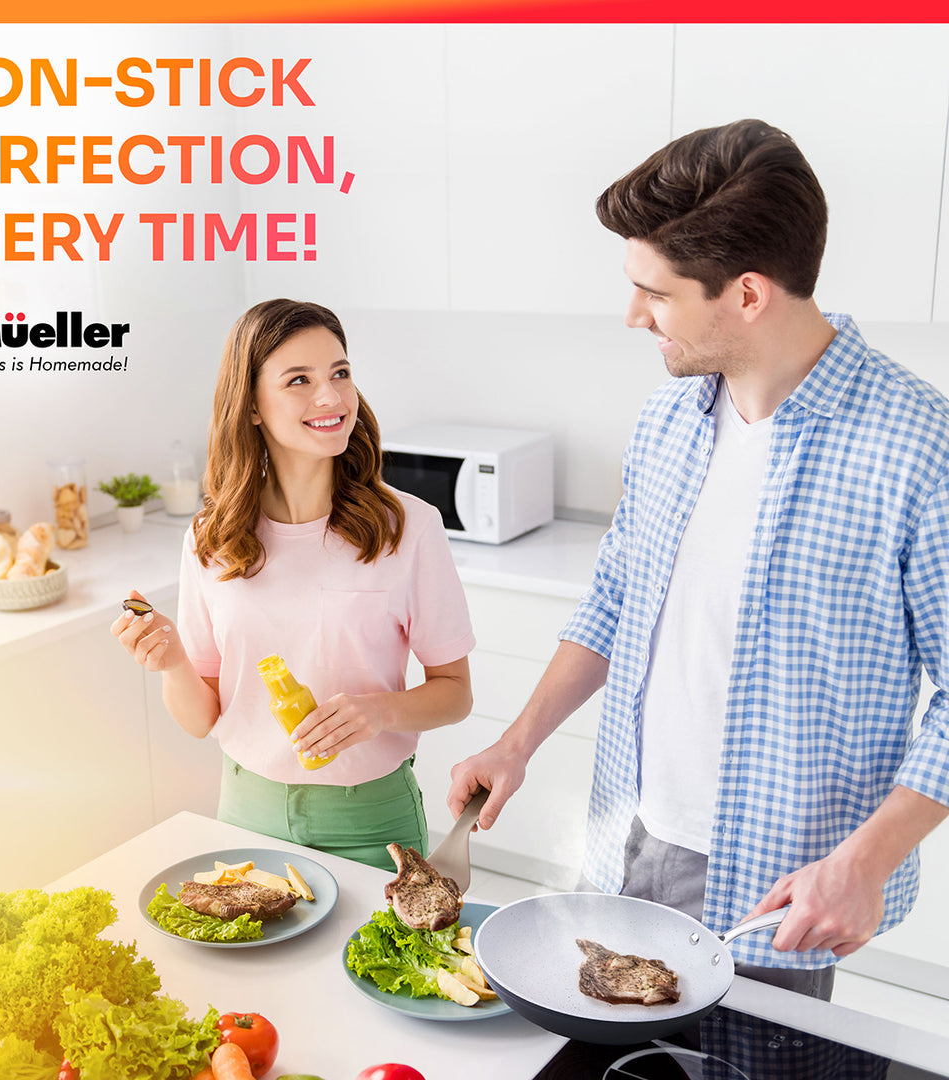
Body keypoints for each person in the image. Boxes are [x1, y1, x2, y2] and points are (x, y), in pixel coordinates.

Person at [447, 119, 949, 998]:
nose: (634, 315)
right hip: (630, 840)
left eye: (657, 293)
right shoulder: (668, 421)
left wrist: (865, 862)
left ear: (748, 294)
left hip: (785, 880)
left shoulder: (917, 445)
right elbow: (613, 602)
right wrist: (516, 742)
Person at [114, 298, 475, 870]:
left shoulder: (408, 528)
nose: (330, 397)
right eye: (298, 380)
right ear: (252, 406)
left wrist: (379, 711)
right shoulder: (213, 539)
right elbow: (201, 719)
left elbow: (456, 691)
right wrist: (172, 662)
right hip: (246, 811)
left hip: (373, 822)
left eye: (340, 373)